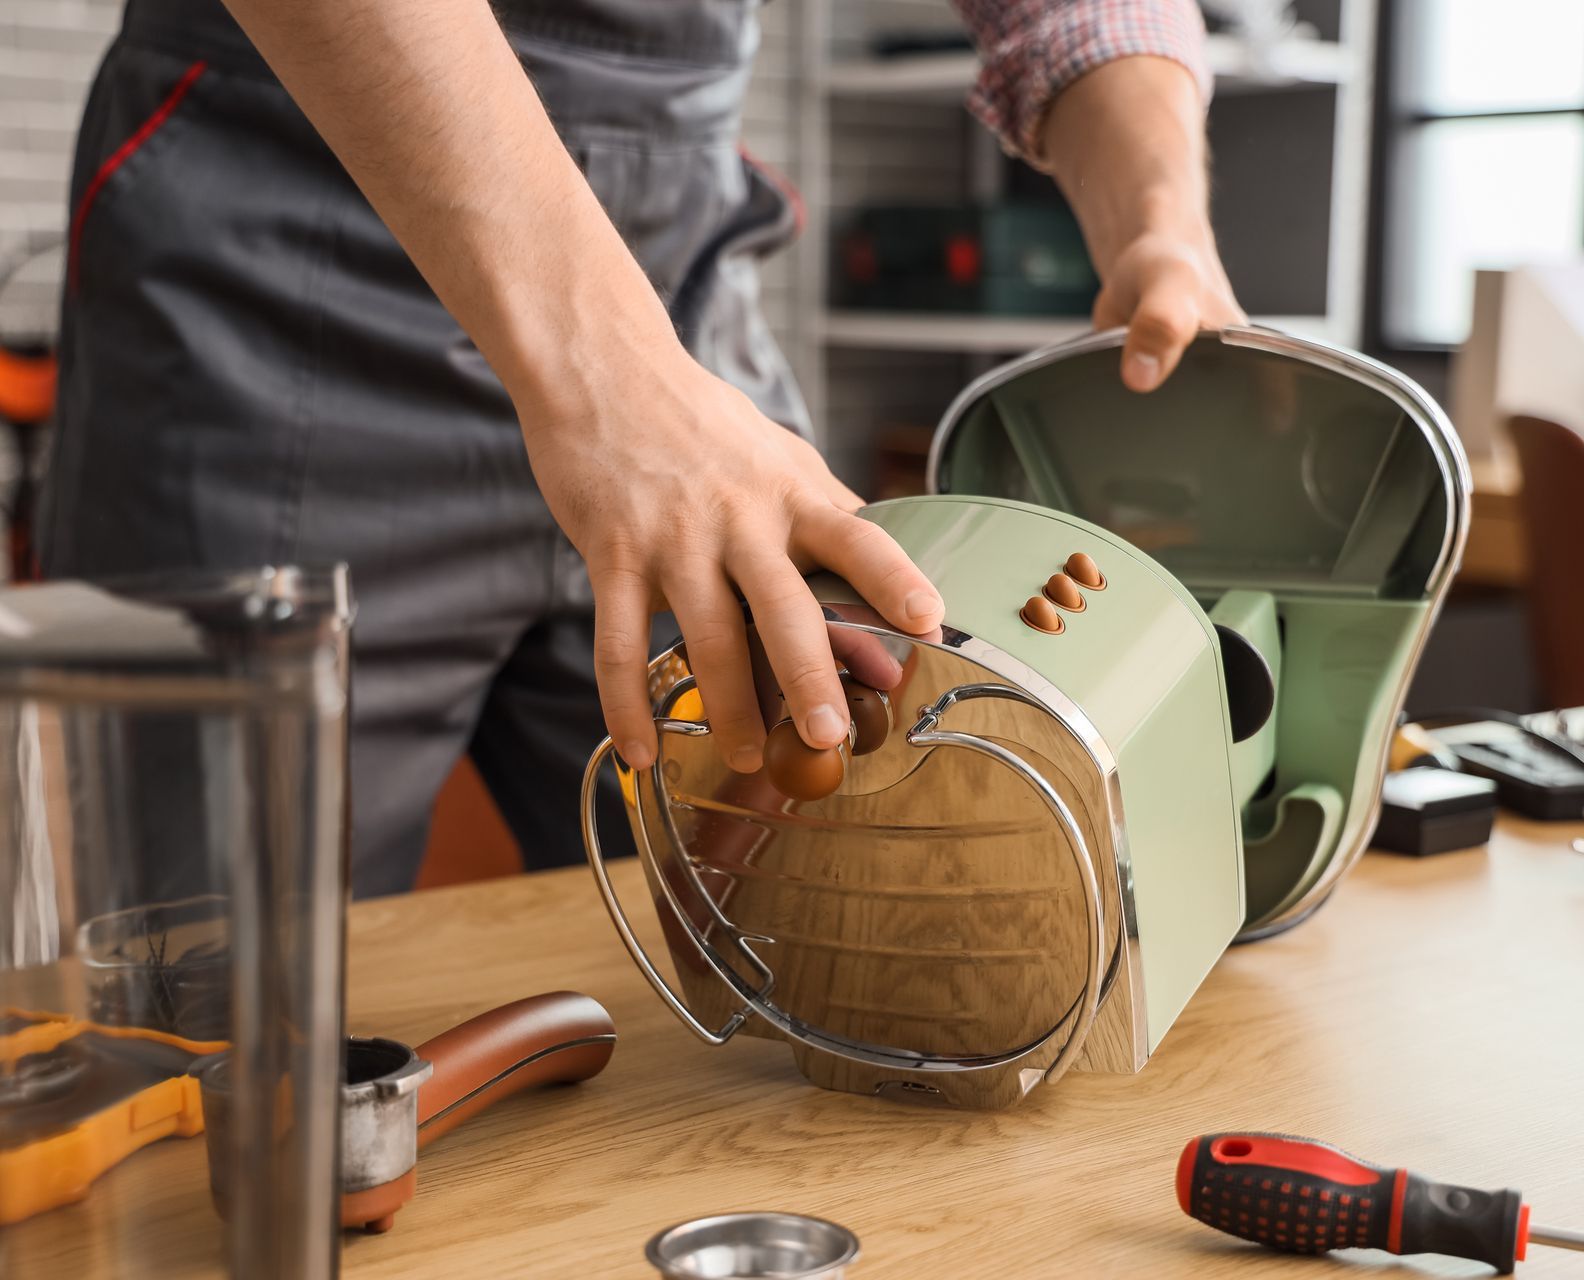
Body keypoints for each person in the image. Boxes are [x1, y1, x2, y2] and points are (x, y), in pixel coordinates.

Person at [44, 0, 1244, 895]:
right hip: (274, 263)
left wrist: (1160, 217)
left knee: (802, 924)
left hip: (681, 295)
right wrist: (608, 376)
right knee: (204, 1004)